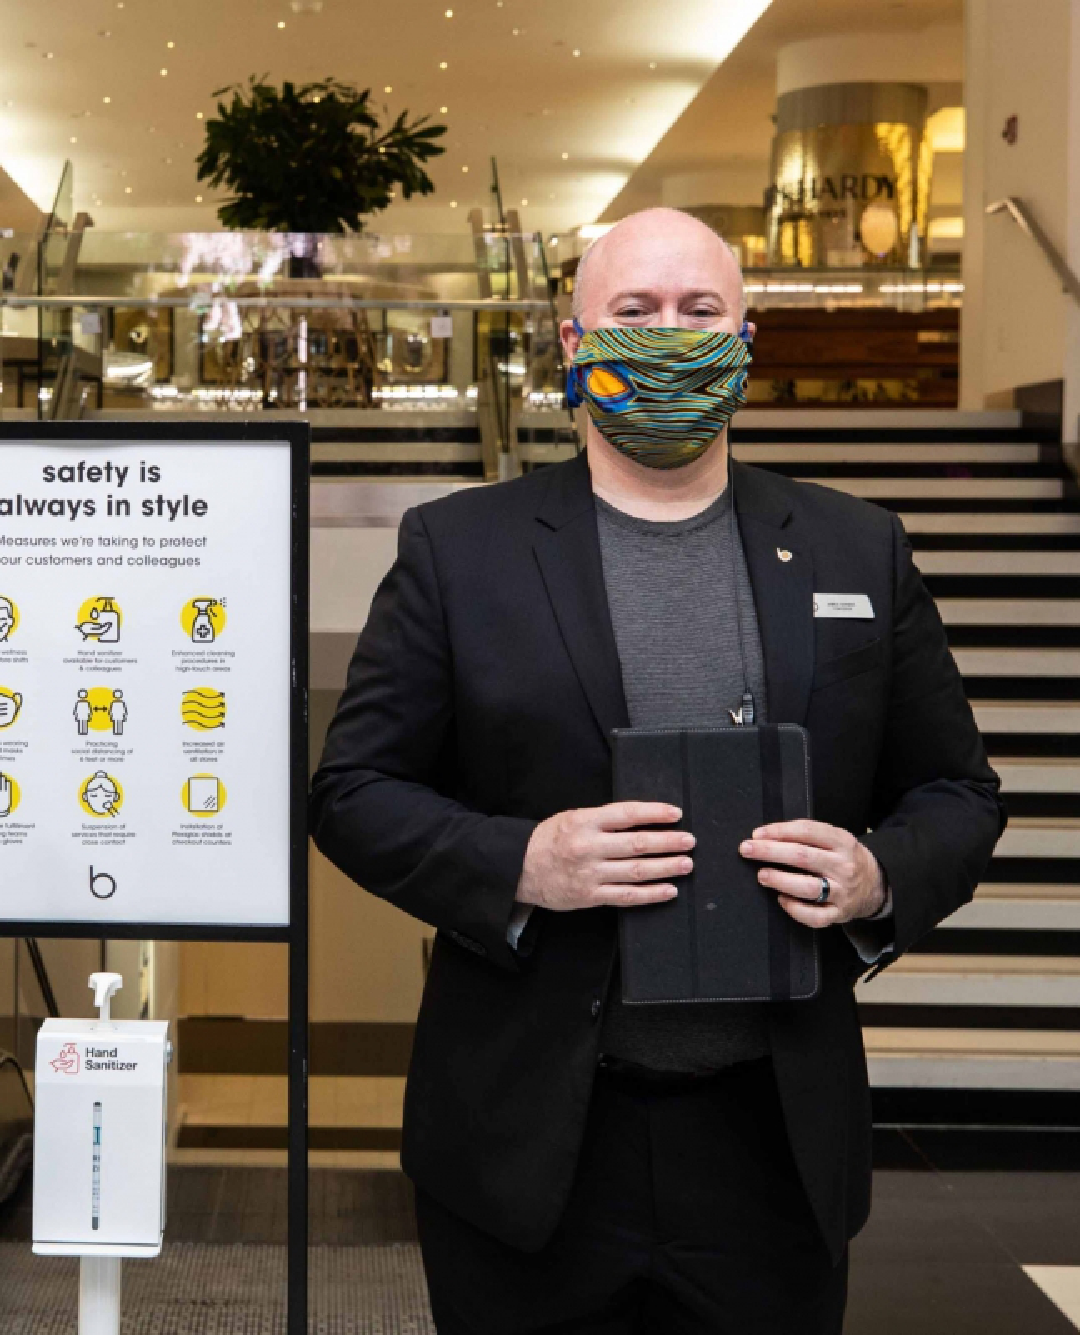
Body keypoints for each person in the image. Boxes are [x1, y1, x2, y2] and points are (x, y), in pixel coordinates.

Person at [310, 208, 1004, 1334]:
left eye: (699, 312)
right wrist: (519, 861)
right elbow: (351, 792)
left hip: (768, 1144)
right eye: (633, 313)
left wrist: (877, 875)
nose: (668, 336)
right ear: (573, 342)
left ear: (744, 339)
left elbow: (958, 796)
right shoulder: (459, 549)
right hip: (528, 1140)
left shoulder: (854, 546)